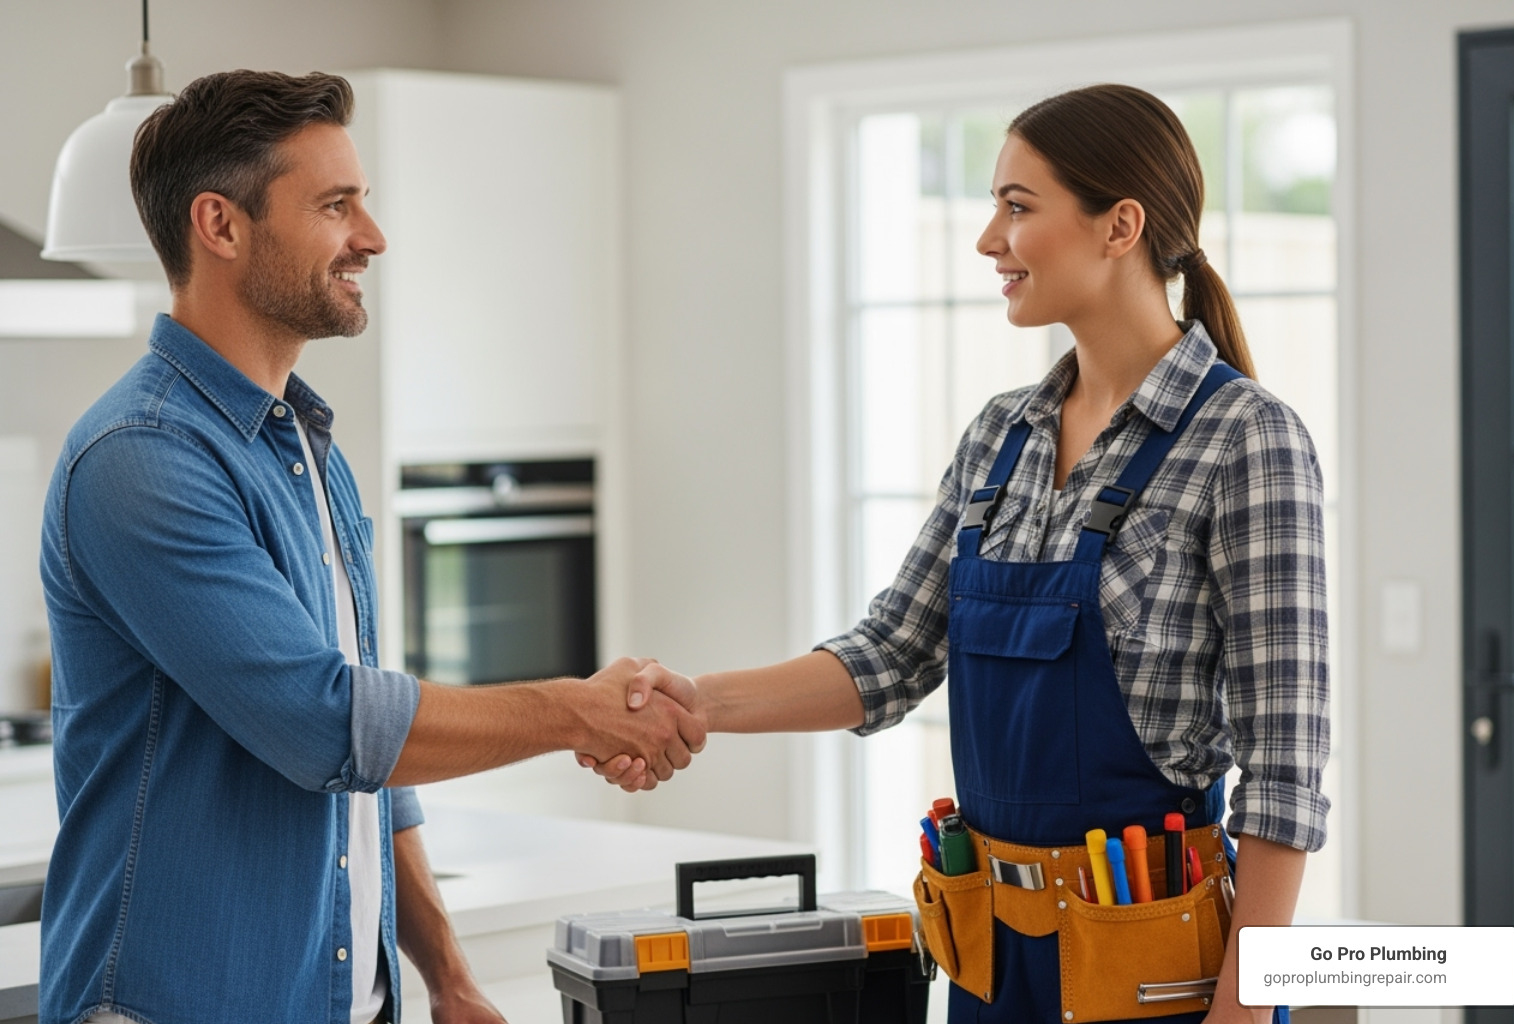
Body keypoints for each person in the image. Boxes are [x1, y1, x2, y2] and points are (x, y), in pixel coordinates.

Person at [582, 84, 1329, 1024]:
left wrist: (1246, 1011)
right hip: (988, 961)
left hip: (1153, 974)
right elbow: (891, 655)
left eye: (1018, 207)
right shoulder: (1001, 437)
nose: (988, 240)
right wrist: (695, 702)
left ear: (1119, 226)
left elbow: (1285, 772)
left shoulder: (1244, 439)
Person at [38, 69, 703, 1024]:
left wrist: (447, 975)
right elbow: (326, 725)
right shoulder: (141, 458)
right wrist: (577, 713)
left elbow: (373, 764)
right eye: (336, 205)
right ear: (220, 226)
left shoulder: (306, 449)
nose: (373, 236)